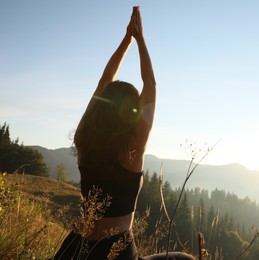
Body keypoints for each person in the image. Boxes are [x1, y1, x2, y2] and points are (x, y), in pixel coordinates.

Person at [54, 6, 195, 260]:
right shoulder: (133, 148)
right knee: (185, 259)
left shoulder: (83, 141)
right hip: (115, 251)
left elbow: (103, 82)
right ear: (131, 112)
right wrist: (140, 39)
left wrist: (126, 41)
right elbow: (150, 84)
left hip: (75, 247)